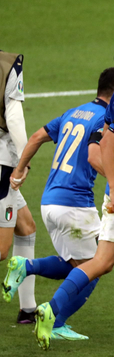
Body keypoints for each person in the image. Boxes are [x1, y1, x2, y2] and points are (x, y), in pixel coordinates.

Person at [19, 42, 114, 348]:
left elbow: (91, 140)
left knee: (98, 262)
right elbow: (102, 146)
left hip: (95, 196)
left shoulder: (110, 97)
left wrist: (20, 170)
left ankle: (50, 307)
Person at [5, 68, 114, 345]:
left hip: (49, 202)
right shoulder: (105, 119)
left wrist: (20, 170)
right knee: (96, 267)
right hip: (75, 206)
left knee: (76, 265)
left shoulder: (74, 112)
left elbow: (35, 137)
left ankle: (26, 265)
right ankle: (55, 320)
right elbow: (96, 158)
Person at [0, 48, 39, 325]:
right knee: (2, 250)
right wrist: (24, 159)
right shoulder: (7, 64)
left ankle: (28, 309)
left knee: (26, 228)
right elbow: (13, 115)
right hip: (2, 163)